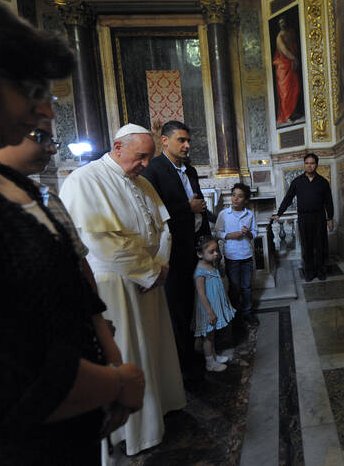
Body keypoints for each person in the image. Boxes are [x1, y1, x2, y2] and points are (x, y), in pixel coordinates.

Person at [0, 0, 144, 465]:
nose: (47, 110)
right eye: (29, 90)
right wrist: (119, 381)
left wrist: (107, 363)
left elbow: (63, 290)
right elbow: (1, 380)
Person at [59, 124, 186, 457]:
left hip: (149, 281)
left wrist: (160, 267)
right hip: (116, 286)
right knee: (130, 353)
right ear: (117, 147)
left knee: (153, 351)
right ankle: (134, 432)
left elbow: (162, 229)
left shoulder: (142, 182)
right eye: (140, 157)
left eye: (148, 158)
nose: (145, 165)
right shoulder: (84, 181)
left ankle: (160, 410)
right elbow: (102, 243)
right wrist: (150, 271)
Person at [0, 120, 122, 366]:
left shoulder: (47, 196)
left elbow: (79, 265)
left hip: (71, 337)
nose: (52, 149)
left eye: (53, 140)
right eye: (41, 137)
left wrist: (98, 325)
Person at [141, 120, 209, 384]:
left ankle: (194, 353)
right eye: (181, 140)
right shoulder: (154, 169)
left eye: (188, 140)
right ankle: (182, 365)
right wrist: (186, 208)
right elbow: (153, 209)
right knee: (177, 308)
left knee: (195, 302)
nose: (187, 145)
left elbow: (198, 204)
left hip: (194, 247)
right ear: (164, 141)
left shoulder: (189, 170)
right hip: (173, 250)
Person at [272, 153, 334, 282]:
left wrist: (330, 218)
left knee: (320, 245)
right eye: (307, 163)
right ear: (304, 164)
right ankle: (309, 272)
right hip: (304, 218)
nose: (309, 165)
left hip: (319, 217)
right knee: (307, 245)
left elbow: (329, 201)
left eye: (312, 163)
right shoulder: (297, 181)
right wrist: (279, 213)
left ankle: (321, 271)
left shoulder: (323, 182)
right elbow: (288, 198)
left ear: (316, 165)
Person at [216, 183, 259, 326]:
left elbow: (255, 233)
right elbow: (217, 232)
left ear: (245, 200)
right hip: (232, 256)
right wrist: (229, 235)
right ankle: (234, 313)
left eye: (240, 196)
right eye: (233, 195)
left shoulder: (250, 214)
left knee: (246, 286)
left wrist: (248, 233)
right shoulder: (224, 214)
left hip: (246, 255)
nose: (235, 198)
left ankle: (248, 313)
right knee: (234, 287)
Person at [193, 236, 237, 372]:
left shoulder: (210, 265)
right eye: (211, 252)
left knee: (211, 335)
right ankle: (209, 363)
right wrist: (209, 311)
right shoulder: (200, 271)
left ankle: (213, 356)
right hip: (207, 308)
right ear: (200, 254)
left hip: (214, 304)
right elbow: (201, 294)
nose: (216, 254)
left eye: (216, 250)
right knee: (208, 336)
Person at [273, 16, 301, 125]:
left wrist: (294, 59)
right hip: (283, 67)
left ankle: (293, 112)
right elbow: (285, 51)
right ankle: (287, 115)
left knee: (295, 89)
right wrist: (294, 58)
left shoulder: (291, 32)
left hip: (291, 65)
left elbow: (295, 47)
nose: (282, 24)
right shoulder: (279, 37)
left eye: (283, 22)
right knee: (285, 93)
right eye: (280, 23)